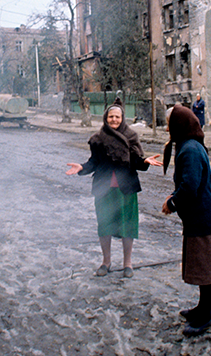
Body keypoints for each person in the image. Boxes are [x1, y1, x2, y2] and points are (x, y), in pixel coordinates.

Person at [66, 100, 162, 278]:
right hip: (104, 190)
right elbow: (94, 162)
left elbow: (135, 161)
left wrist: (144, 161)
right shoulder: (98, 139)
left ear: (122, 118)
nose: (114, 120)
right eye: (111, 116)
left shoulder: (131, 137)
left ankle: (128, 264)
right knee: (104, 226)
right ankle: (106, 262)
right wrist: (81, 167)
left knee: (128, 226)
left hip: (126, 189)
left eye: (117, 117)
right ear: (105, 118)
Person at [160, 104, 211, 336]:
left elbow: (190, 186)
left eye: (169, 124)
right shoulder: (189, 145)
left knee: (205, 266)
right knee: (200, 262)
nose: (167, 129)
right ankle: (202, 307)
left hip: (202, 216)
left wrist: (172, 203)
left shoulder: (190, 150)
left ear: (178, 125)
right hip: (199, 216)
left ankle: (205, 315)